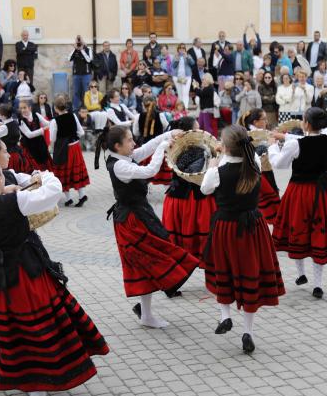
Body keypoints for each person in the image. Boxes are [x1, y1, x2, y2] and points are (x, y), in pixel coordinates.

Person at [0, 157, 109, 396]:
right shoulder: (12, 201)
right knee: (32, 331)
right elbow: (53, 192)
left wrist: (5, 192)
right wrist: (47, 175)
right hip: (20, 276)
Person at [198, 124, 284, 354]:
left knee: (223, 271)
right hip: (253, 227)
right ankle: (248, 332)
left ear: (224, 147)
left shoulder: (217, 171)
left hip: (226, 226)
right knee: (250, 274)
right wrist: (226, 151)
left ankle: (225, 315)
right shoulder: (254, 164)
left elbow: (205, 190)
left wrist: (213, 163)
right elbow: (247, 151)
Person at [105, 124, 198, 327]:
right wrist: (163, 146)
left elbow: (146, 148)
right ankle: (146, 315)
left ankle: (146, 314)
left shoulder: (123, 157)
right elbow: (150, 170)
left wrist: (168, 134)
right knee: (145, 265)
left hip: (139, 215)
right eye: (129, 140)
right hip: (130, 222)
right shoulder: (119, 165)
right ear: (117, 146)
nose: (133, 143)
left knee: (148, 265)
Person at [269, 107, 327, 298]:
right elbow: (305, 140)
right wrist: (284, 136)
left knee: (299, 230)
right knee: (317, 233)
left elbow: (280, 164)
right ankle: (317, 284)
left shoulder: (296, 145)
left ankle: (301, 274)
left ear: (306, 123)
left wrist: (272, 146)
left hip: (301, 192)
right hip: (323, 192)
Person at [162, 116, 217, 272]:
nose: (200, 131)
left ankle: (177, 272)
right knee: (199, 235)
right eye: (197, 128)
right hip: (193, 200)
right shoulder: (183, 148)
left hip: (177, 199)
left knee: (180, 239)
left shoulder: (176, 148)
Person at [241, 109, 281, 225]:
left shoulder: (258, 133)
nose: (267, 121)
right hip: (261, 173)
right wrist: (271, 144)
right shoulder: (253, 136)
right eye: (264, 119)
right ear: (255, 122)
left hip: (263, 171)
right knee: (265, 205)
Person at [49, 95, 90, 206]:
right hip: (75, 147)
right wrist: (72, 136)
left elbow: (52, 138)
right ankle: (81, 196)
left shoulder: (54, 121)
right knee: (75, 171)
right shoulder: (73, 116)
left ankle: (68, 199)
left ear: (56, 108)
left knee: (63, 172)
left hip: (63, 149)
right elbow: (81, 132)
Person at [18, 99, 52, 173]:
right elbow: (29, 135)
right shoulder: (20, 120)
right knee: (35, 164)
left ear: (29, 108)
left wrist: (50, 124)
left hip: (40, 142)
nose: (23, 110)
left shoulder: (36, 114)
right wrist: (42, 130)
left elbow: (47, 123)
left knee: (44, 159)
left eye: (24, 107)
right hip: (29, 145)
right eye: (21, 108)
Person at [69, 35, 94, 111]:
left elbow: (89, 60)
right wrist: (75, 49)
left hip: (86, 75)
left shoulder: (88, 49)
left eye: (80, 40)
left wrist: (82, 49)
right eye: (78, 40)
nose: (79, 42)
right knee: (76, 92)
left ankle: (87, 107)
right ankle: (76, 108)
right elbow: (69, 58)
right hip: (76, 75)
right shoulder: (74, 50)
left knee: (86, 91)